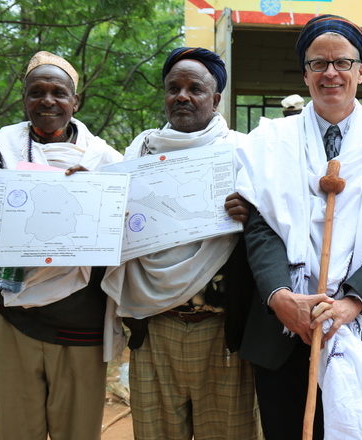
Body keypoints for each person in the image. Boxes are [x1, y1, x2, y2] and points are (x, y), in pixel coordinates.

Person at [234, 14, 362, 439]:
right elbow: (260, 226)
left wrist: (352, 302)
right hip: (284, 329)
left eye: (342, 62)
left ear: (361, 70)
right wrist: (281, 297)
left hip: (360, 323)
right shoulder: (269, 142)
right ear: (305, 73)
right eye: (318, 64)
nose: (331, 73)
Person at [0, 51, 123, 440]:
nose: (47, 101)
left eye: (58, 92)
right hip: (12, 321)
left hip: (82, 326)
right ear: (24, 100)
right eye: (36, 92)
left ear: (75, 102)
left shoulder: (106, 163)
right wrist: (13, 212)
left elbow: (126, 242)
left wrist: (90, 203)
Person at [100, 47, 262, 440]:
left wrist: (254, 214)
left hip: (223, 334)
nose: (182, 96)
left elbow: (278, 230)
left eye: (195, 88)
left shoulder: (244, 153)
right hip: (154, 329)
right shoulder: (140, 152)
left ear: (216, 98)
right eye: (174, 88)